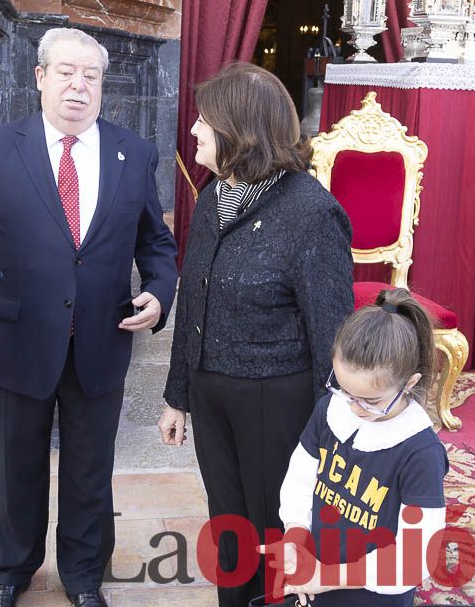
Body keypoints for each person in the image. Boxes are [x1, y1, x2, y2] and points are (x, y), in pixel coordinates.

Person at [0, 27, 178, 607]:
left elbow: (157, 245)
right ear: (40, 78)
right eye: (67, 73)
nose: (80, 86)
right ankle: (12, 571)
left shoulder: (134, 153)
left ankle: (82, 576)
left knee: (90, 473)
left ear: (102, 86)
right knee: (16, 468)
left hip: (103, 338)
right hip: (21, 340)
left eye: (91, 76)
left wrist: (159, 292)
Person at [158, 62, 355, 607]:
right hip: (211, 393)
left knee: (277, 533)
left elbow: (332, 335)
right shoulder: (211, 196)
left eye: (204, 120)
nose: (194, 130)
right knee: (231, 532)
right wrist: (178, 396)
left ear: (240, 130)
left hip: (276, 402)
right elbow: (192, 300)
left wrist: (330, 436)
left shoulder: (310, 213)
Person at [266, 288, 449, 606]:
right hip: (316, 574)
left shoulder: (420, 453)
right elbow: (300, 478)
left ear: (409, 383)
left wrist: (328, 577)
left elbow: (415, 556)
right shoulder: (330, 409)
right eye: (343, 390)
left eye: (370, 401)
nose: (354, 407)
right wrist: (295, 535)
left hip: (370, 592)